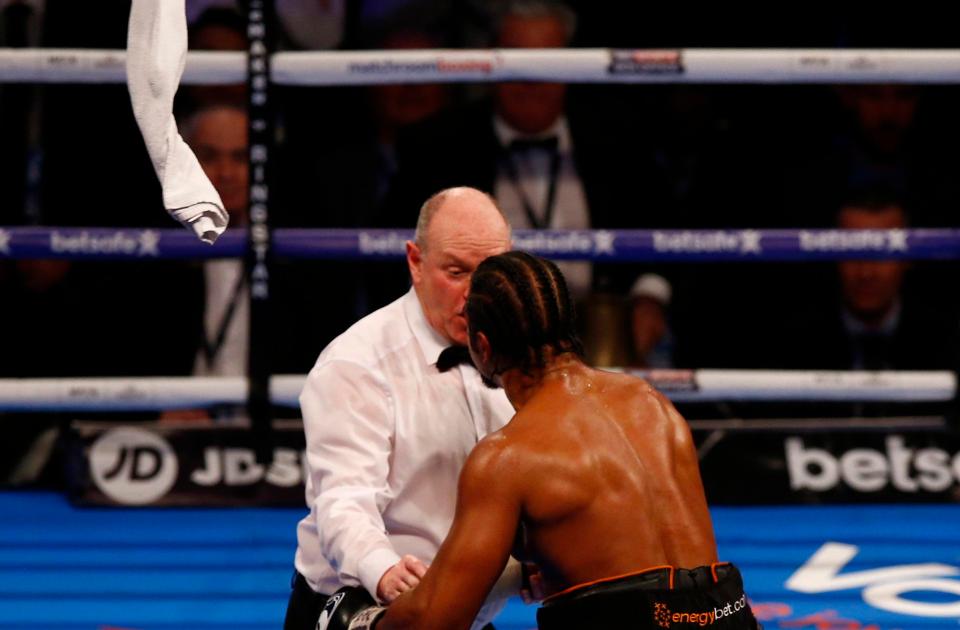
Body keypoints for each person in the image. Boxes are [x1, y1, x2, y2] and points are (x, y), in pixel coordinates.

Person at [319, 251, 760, 629]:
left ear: (483, 347)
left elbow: (439, 620)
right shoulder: (652, 404)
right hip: (730, 615)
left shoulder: (508, 457)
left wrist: (362, 621)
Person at [284, 187, 519, 630]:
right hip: (358, 606)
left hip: (465, 611)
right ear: (416, 262)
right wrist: (382, 568)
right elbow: (342, 498)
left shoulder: (521, 355)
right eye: (456, 272)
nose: (477, 294)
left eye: (491, 272)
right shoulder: (356, 362)